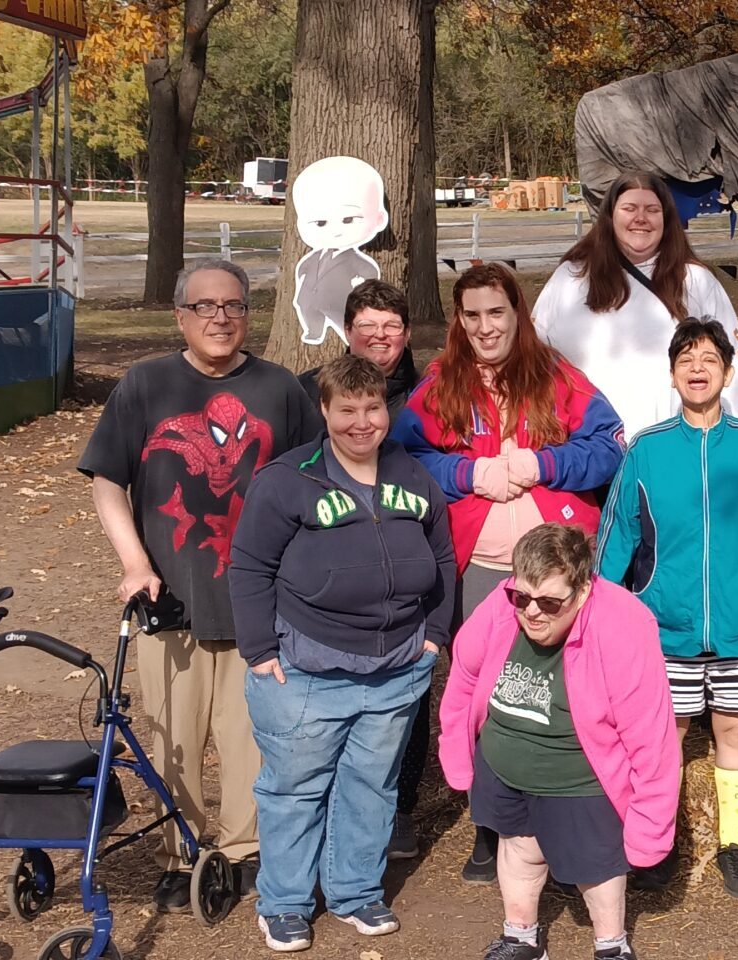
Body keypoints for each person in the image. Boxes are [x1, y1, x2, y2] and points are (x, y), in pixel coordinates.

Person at [77, 258, 320, 911]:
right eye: (205, 306)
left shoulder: (280, 391)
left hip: (259, 603)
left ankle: (242, 851)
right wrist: (134, 562)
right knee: (172, 736)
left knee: (249, 738)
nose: (220, 317)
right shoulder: (145, 385)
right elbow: (107, 480)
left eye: (234, 305)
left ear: (249, 313)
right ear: (181, 315)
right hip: (170, 600)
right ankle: (177, 849)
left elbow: (314, 482)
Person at [393, 262, 626, 878]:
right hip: (482, 568)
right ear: (458, 320)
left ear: (517, 312)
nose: (485, 326)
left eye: (496, 312)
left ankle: (567, 813)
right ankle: (490, 823)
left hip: (556, 570)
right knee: (485, 694)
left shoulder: (555, 376)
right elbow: (405, 454)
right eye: (471, 315)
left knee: (560, 694)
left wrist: (543, 464)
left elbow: (607, 445)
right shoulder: (442, 383)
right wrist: (466, 474)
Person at [228, 355, 458, 952]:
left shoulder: (410, 475)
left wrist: (433, 635)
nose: (363, 422)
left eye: (374, 408)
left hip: (396, 668)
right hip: (306, 668)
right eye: (348, 410)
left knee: (371, 785)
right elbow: (251, 565)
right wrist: (258, 649)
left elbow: (440, 558)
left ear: (388, 409)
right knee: (295, 789)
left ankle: (356, 891)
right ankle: (284, 902)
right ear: (325, 411)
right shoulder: (288, 479)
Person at [595, 319, 738, 898]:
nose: (697, 367)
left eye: (709, 358)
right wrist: (607, 612)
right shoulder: (647, 450)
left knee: (736, 733)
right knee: (661, 740)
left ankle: (732, 848)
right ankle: (655, 846)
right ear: (671, 373)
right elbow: (617, 538)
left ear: (728, 372)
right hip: (663, 629)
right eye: (685, 358)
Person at [439, 524, 680, 960]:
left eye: (550, 602)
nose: (532, 612)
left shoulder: (622, 623)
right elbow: (466, 673)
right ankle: (520, 937)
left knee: (597, 867)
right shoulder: (503, 603)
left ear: (583, 589)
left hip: (578, 779)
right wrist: (457, 748)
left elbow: (652, 735)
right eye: (522, 597)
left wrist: (651, 826)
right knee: (518, 846)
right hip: (505, 764)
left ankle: (611, 945)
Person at [533, 171, 738, 441]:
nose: (641, 218)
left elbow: (730, 368)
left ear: (667, 219)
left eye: (652, 210)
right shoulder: (570, 279)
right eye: (629, 208)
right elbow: (535, 358)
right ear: (611, 216)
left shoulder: (696, 282)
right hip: (586, 452)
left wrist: (726, 441)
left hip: (670, 452)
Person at [299, 279, 420, 418]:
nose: (380, 334)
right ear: (348, 331)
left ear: (407, 333)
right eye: (367, 326)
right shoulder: (307, 392)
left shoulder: (428, 397)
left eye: (392, 326)